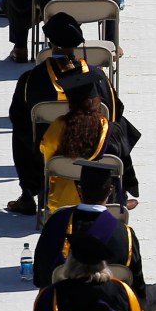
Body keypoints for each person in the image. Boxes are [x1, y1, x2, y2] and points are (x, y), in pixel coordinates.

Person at [33, 161, 156, 311]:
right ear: (110, 190)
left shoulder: (56, 223)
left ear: (79, 189)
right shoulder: (124, 234)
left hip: (62, 310)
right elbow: (137, 286)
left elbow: (41, 276)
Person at [5, 12, 126, 215]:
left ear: (50, 43)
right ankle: (118, 194)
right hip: (95, 151)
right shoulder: (97, 76)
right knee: (119, 127)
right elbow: (117, 110)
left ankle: (28, 195)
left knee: (22, 129)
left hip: (47, 156)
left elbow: (18, 118)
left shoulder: (31, 79)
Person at [37, 72, 139, 215]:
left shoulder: (58, 126)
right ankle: (120, 202)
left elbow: (47, 156)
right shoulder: (111, 130)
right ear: (97, 101)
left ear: (70, 103)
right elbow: (124, 163)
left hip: (62, 201)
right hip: (103, 199)